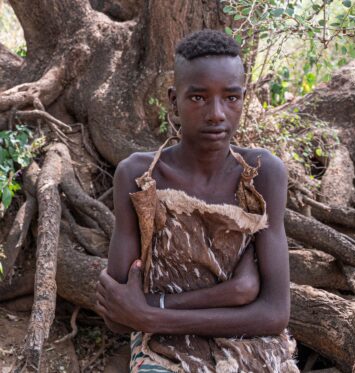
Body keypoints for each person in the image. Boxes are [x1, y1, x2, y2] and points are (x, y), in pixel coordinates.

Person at [96, 29, 298, 372]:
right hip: (163, 350)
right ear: (173, 101)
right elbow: (118, 315)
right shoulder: (140, 178)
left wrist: (153, 312)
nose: (217, 113)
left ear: (243, 99)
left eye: (231, 97)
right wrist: (232, 294)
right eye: (198, 97)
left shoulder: (263, 175)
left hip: (252, 345)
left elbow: (275, 314)